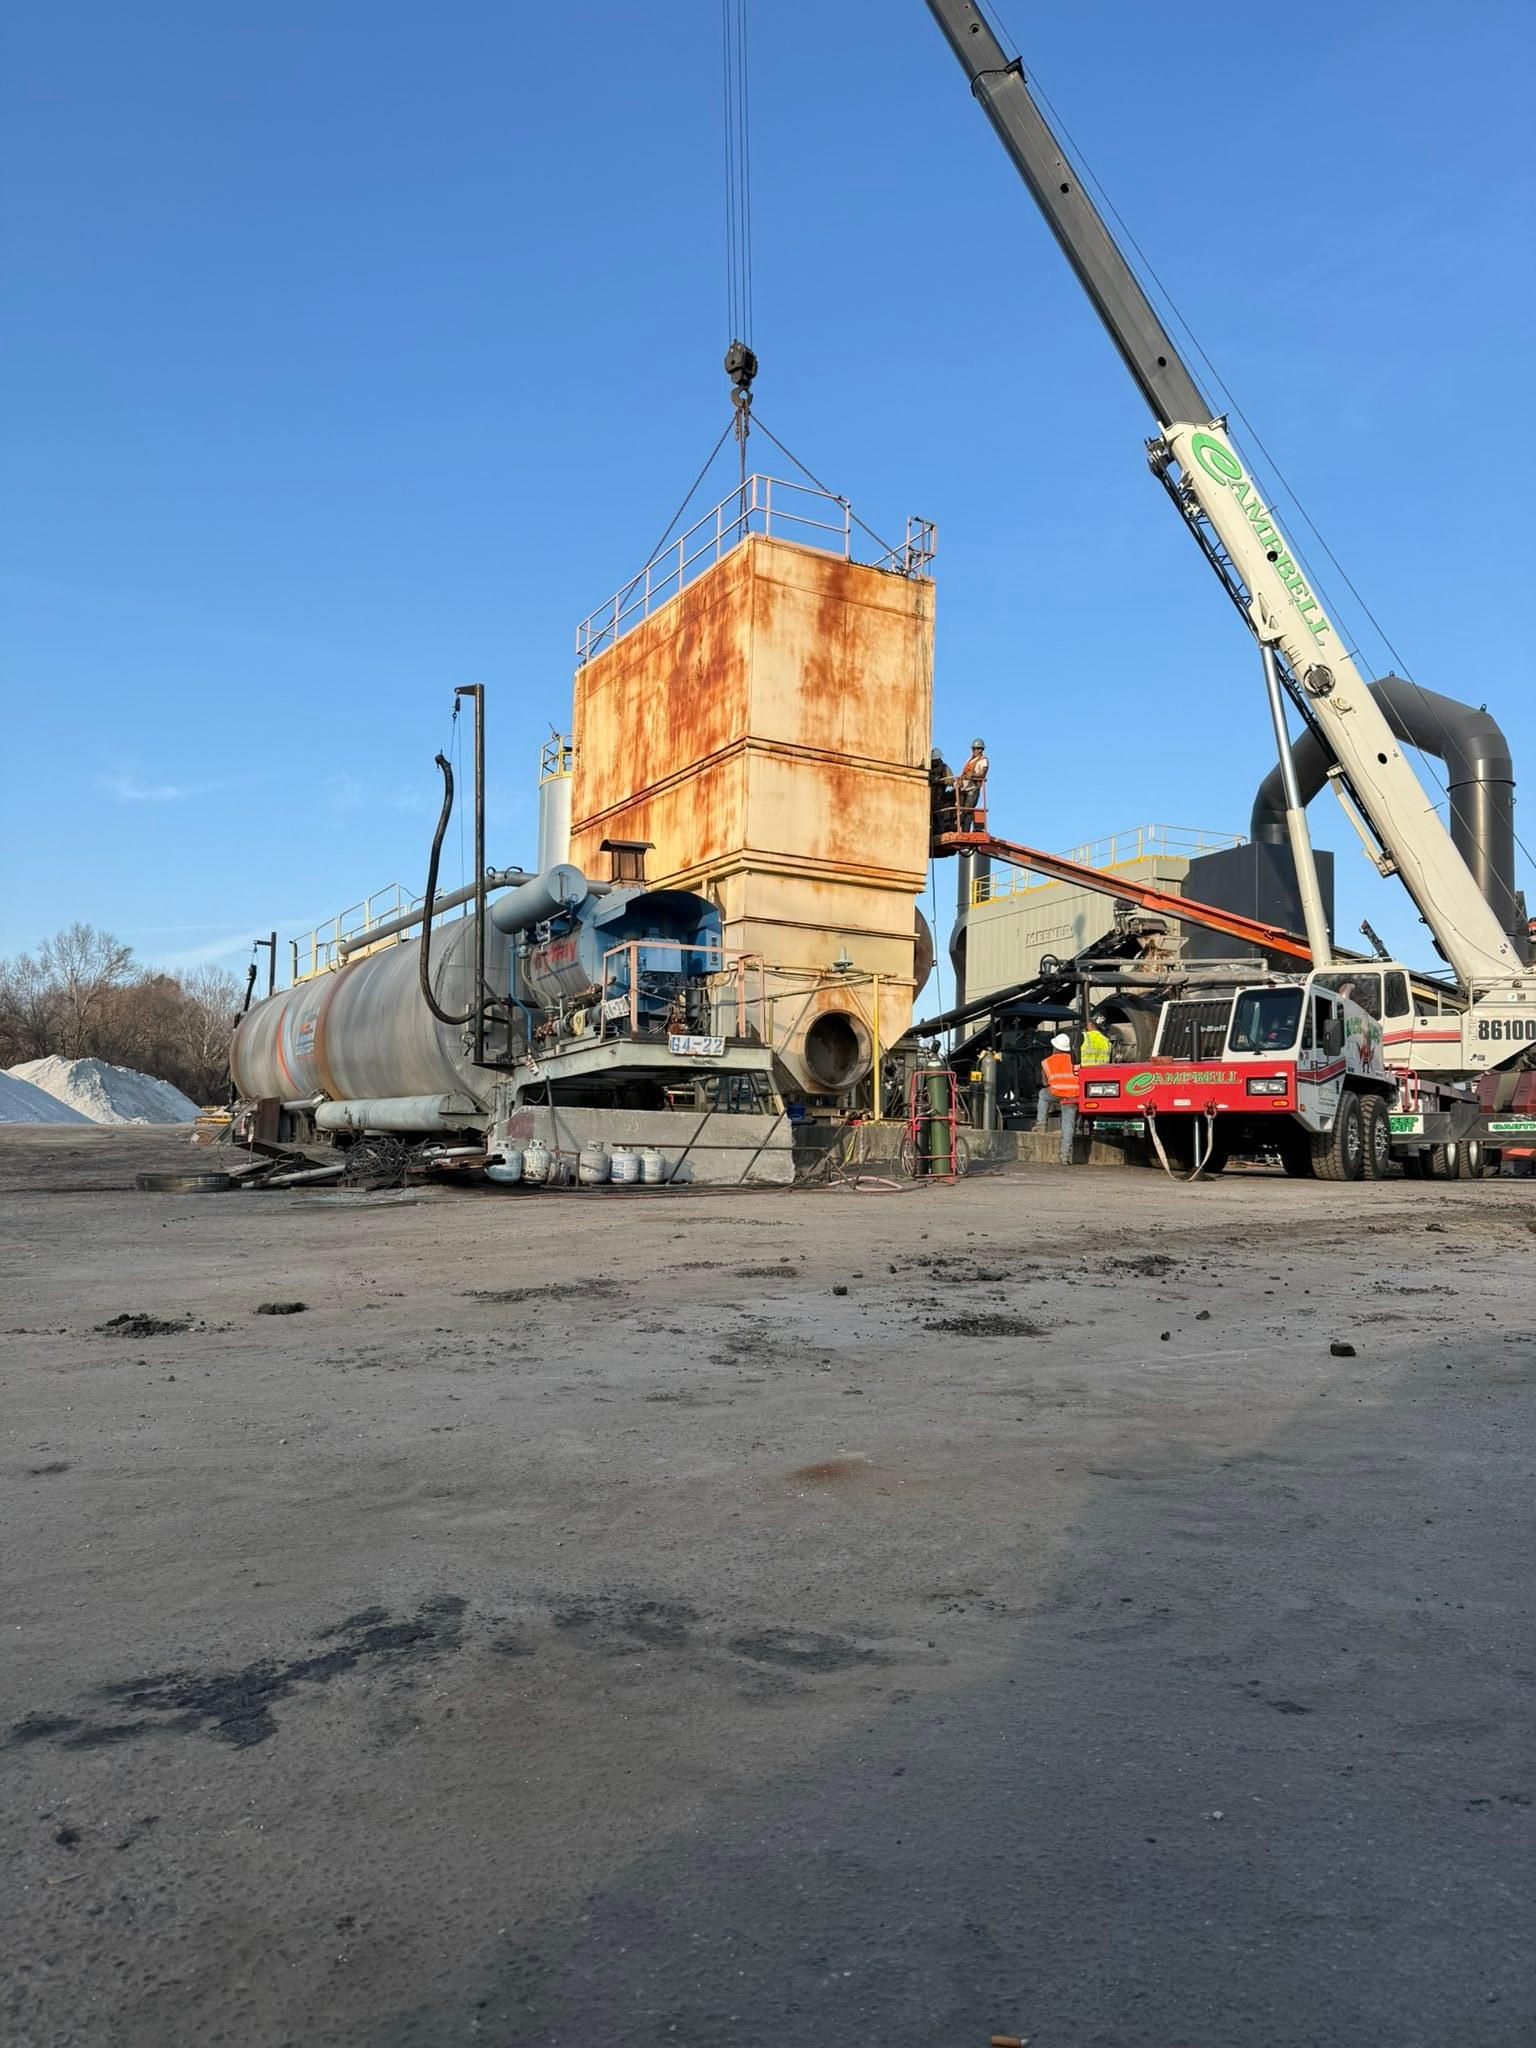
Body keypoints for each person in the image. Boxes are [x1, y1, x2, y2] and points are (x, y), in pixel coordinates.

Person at [1041, 1031, 1080, 1165]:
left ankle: (1041, 1125)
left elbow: (1045, 1083)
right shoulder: (1075, 1060)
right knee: (1068, 1125)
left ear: (1055, 1047)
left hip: (1056, 1093)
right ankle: (1064, 1156)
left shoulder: (1046, 1062)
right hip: (1073, 1095)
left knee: (1042, 1094)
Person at [958, 738, 989, 832]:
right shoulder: (970, 760)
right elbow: (964, 772)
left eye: (976, 749)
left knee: (968, 810)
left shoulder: (983, 760)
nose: (974, 751)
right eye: (973, 748)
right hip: (964, 788)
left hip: (973, 788)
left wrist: (973, 775)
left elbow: (982, 773)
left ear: (981, 750)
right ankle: (961, 830)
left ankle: (965, 831)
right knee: (961, 811)